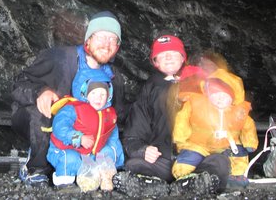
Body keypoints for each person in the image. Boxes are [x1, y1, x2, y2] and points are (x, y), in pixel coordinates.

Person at [11, 11, 127, 185]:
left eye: (113, 39)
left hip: (78, 133)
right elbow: (17, 85)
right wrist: (40, 92)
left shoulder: (113, 77)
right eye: (101, 37)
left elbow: (119, 114)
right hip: (38, 120)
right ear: (88, 39)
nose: (107, 44)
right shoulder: (59, 58)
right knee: (44, 110)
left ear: (117, 47)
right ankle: (35, 168)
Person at [114, 35, 227, 197]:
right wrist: (142, 150)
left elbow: (225, 116)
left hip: (196, 157)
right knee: (134, 164)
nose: (168, 56)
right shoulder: (150, 88)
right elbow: (134, 134)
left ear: (182, 58)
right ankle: (174, 186)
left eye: (173, 53)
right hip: (162, 160)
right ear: (155, 61)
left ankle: (190, 182)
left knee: (220, 162)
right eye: (162, 54)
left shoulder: (203, 84)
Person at [172, 68, 259, 188]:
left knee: (239, 154)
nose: (219, 99)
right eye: (215, 95)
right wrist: (180, 137)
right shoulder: (196, 104)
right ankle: (186, 177)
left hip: (228, 144)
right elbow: (182, 118)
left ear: (233, 97)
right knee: (189, 158)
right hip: (199, 143)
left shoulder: (239, 112)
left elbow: (248, 126)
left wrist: (250, 143)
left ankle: (235, 176)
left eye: (224, 95)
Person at [47, 71, 125, 189]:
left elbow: (113, 140)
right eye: (93, 93)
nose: (98, 98)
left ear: (109, 96)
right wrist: (79, 138)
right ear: (84, 93)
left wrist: (114, 161)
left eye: (102, 94)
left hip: (90, 154)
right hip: (64, 150)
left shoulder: (108, 116)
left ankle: (104, 180)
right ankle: (63, 184)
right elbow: (59, 127)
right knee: (71, 160)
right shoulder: (72, 109)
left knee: (106, 155)